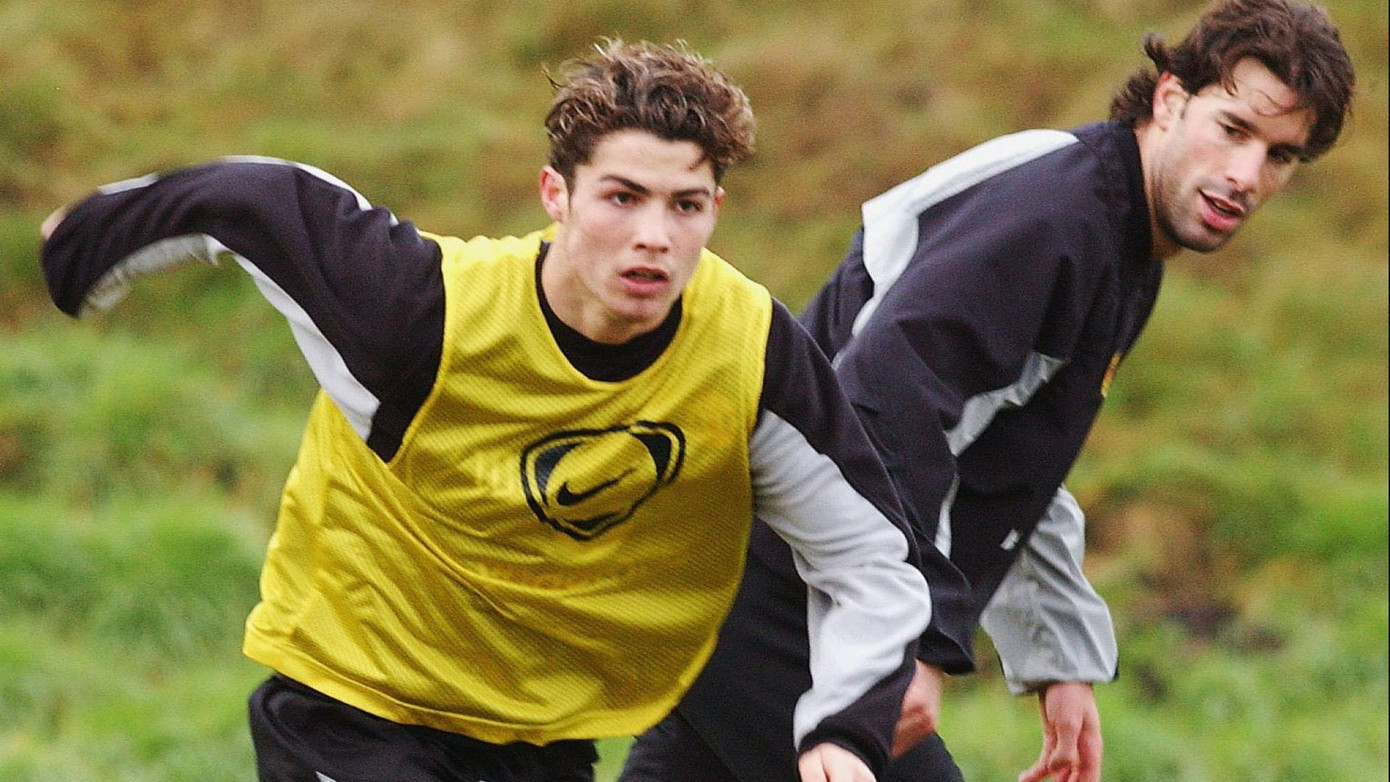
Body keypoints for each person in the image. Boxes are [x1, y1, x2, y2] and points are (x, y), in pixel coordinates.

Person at [38, 40, 977, 782]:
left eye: (687, 206)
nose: (655, 235)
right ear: (554, 195)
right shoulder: (424, 313)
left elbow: (870, 556)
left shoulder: (744, 346)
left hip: (540, 737)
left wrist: (844, 728)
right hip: (356, 706)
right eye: (623, 197)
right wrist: (86, 243)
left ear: (717, 209)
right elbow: (263, 200)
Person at [620, 1, 1356, 781]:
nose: (1246, 176)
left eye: (1281, 156)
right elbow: (882, 403)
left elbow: (1005, 453)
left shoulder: (1121, 233)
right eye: (1234, 129)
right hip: (782, 582)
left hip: (759, 568)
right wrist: (916, 641)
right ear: (1171, 98)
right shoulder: (1057, 221)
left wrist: (1057, 654)